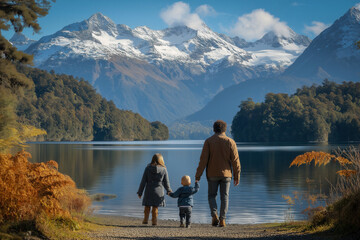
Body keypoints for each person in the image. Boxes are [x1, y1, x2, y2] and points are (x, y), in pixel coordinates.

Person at [195, 120, 241, 227]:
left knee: (212, 196)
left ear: (214, 129)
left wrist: (198, 176)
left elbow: (203, 160)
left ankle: (214, 215)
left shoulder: (209, 141)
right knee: (224, 197)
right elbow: (235, 161)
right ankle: (223, 220)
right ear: (225, 129)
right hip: (226, 175)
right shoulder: (230, 142)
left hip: (212, 174)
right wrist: (236, 176)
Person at [137, 153, 172, 226]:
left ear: (152, 159)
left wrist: (140, 192)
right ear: (161, 160)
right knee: (155, 207)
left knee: (147, 206)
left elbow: (143, 181)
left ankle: (145, 220)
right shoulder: (164, 169)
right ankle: (154, 221)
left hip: (149, 190)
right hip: (159, 191)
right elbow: (166, 182)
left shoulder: (147, 168)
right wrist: (169, 191)